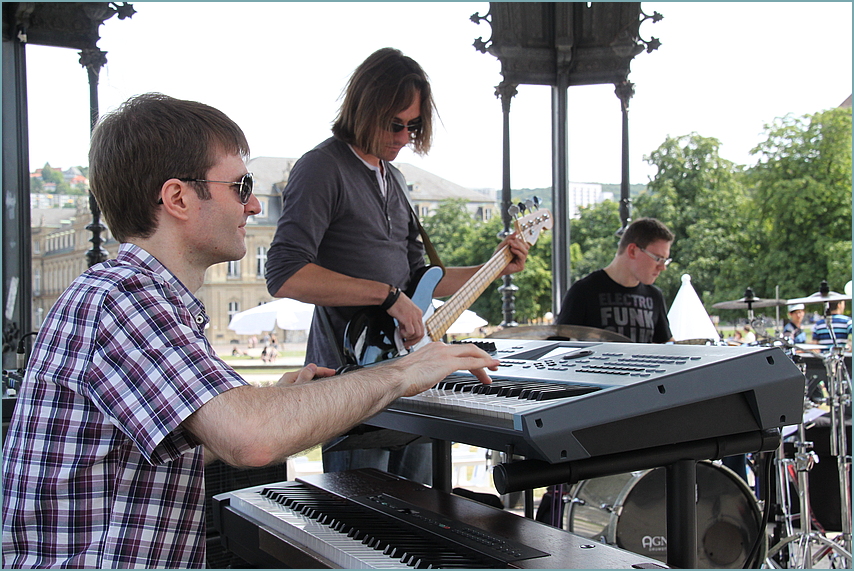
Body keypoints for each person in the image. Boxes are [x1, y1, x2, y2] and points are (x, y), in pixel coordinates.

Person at [1, 93, 500, 569]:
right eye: (241, 187)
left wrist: (279, 401)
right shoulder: (123, 299)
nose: (255, 206)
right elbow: (250, 441)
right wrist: (404, 370)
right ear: (177, 197)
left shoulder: (139, 296)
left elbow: (191, 442)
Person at [265, 48, 529, 482]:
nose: (405, 137)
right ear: (365, 108)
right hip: (349, 381)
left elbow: (422, 282)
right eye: (395, 124)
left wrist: (495, 266)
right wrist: (387, 297)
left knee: (421, 510)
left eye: (414, 126)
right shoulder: (322, 167)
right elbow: (284, 273)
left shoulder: (397, 180)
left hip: (411, 376)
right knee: (363, 520)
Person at [556, 217, 675, 343]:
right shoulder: (583, 291)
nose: (662, 267)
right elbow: (557, 344)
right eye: (658, 258)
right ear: (632, 251)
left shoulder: (654, 296)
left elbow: (666, 343)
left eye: (665, 261)